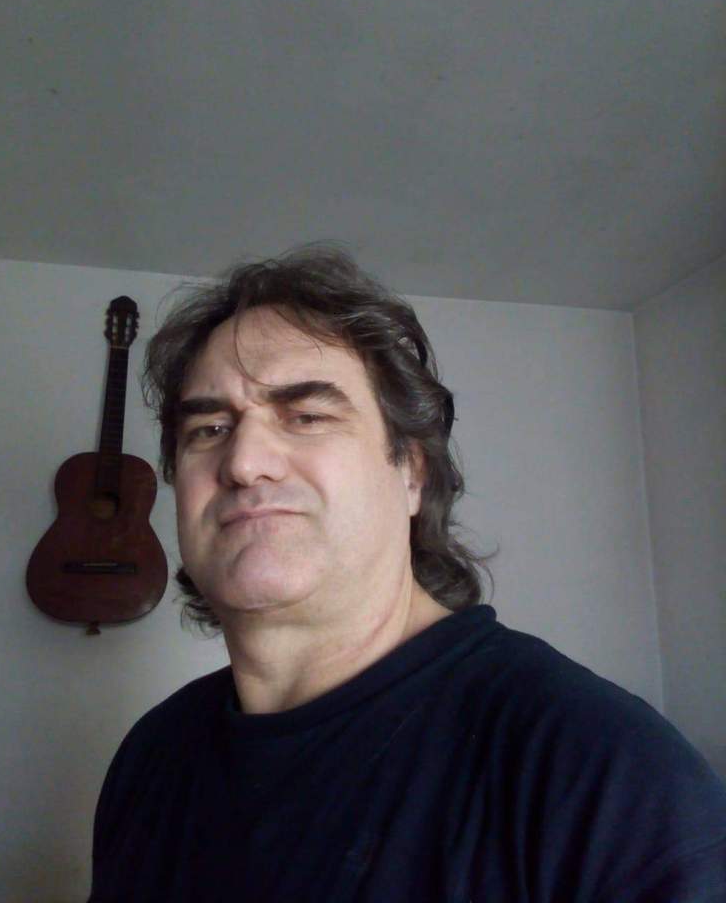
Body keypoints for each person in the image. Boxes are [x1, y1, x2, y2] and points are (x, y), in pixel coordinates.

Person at [89, 245, 726, 902]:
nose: (244, 461)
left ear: (413, 473)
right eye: (210, 429)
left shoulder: (605, 772)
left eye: (307, 417)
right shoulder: (151, 757)